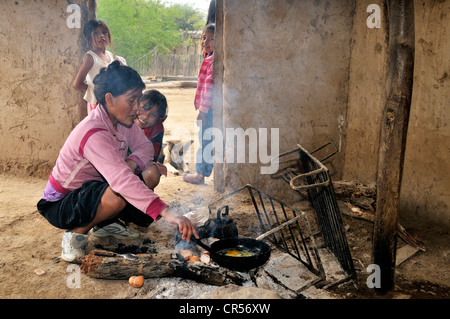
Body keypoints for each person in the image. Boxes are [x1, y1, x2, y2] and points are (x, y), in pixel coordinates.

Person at [37, 61, 198, 262]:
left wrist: (130, 164)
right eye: (132, 100)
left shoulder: (123, 122)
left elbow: (146, 148)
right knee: (119, 192)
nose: (137, 109)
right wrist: (166, 212)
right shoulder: (94, 131)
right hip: (62, 203)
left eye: (139, 100)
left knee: (150, 172)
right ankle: (74, 236)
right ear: (109, 99)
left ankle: (105, 225)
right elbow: (121, 181)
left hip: (92, 191)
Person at [183, 23, 215, 185]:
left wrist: (202, 112)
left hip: (209, 111)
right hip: (213, 110)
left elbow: (209, 88)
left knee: (206, 140)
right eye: (203, 38)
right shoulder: (209, 59)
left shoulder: (213, 61)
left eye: (211, 38)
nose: (205, 41)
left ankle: (200, 175)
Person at [73, 19, 125, 116]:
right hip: (97, 104)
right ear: (88, 38)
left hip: (110, 102)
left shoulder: (109, 55)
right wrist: (93, 90)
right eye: (96, 33)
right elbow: (77, 83)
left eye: (104, 32)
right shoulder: (90, 57)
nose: (101, 36)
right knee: (99, 129)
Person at [135, 89, 168, 163]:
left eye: (153, 115)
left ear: (159, 119)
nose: (146, 116)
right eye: (144, 108)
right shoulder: (124, 118)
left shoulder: (156, 130)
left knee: (152, 171)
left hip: (139, 167)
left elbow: (150, 158)